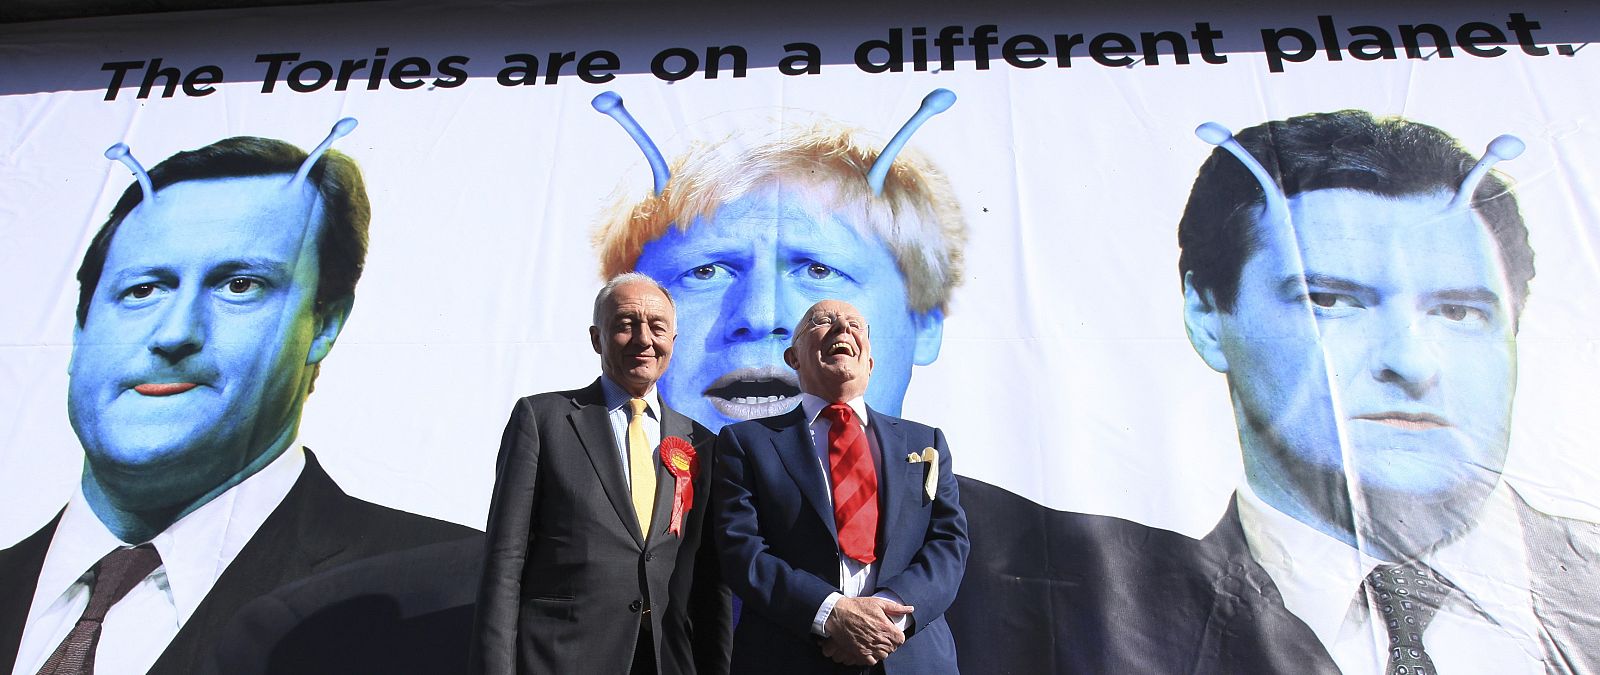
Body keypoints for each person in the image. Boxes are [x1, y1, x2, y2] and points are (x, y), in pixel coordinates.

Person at [950, 110, 1600, 674]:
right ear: (1208, 316)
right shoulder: (1081, 627)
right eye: (1332, 301)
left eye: (1458, 311)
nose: (1409, 361)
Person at [0, 135, 475, 675]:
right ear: (82, 327)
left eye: (239, 285)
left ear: (324, 325)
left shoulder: (460, 599)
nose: (174, 334)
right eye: (143, 290)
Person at [594, 122, 966, 433]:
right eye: (705, 271)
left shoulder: (1008, 521)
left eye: (819, 270)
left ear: (924, 322)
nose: (760, 316)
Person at [472, 273, 731, 675]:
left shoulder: (702, 443)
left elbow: (710, 582)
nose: (644, 339)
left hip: (667, 660)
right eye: (626, 325)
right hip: (563, 658)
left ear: (672, 342)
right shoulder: (542, 421)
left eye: (657, 327)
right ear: (597, 338)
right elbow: (505, 562)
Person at [713, 299, 968, 674]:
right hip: (791, 655)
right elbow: (742, 550)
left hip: (909, 656)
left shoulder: (925, 442)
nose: (842, 329)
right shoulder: (747, 443)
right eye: (823, 321)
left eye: (855, 325)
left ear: (870, 362)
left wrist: (886, 620)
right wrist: (831, 614)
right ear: (793, 357)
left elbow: (949, 545)